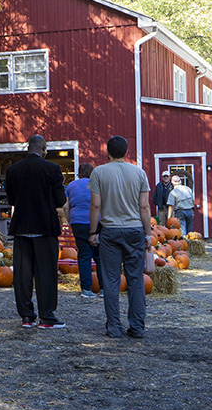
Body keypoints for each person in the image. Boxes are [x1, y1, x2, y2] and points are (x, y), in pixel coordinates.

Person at [88, 135, 152, 339]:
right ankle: (137, 327)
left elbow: (96, 205)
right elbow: (144, 206)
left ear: (107, 152)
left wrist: (92, 232)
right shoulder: (139, 173)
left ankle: (114, 327)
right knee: (136, 280)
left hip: (110, 231)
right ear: (126, 152)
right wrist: (148, 234)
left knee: (111, 280)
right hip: (134, 230)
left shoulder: (98, 172)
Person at [3, 135, 67, 328]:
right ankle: (46, 316)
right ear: (44, 149)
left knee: (22, 274)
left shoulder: (13, 170)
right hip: (45, 227)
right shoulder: (52, 169)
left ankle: (26, 316)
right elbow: (59, 200)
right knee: (46, 273)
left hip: (22, 227)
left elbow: (12, 200)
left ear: (27, 148)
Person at [64, 163, 98, 298]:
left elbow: (66, 207)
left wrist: (70, 222)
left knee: (84, 255)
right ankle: (102, 289)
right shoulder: (96, 184)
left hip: (77, 221)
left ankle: (86, 289)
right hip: (95, 221)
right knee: (99, 255)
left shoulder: (71, 185)